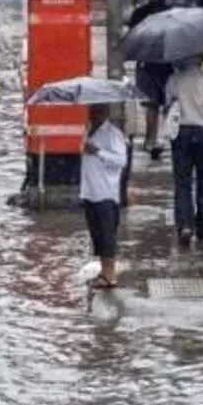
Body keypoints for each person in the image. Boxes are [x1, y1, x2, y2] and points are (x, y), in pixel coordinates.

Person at [164, 55, 203, 246]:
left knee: (182, 181)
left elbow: (167, 108)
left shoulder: (174, 80)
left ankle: (185, 225)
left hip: (181, 133)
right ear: (202, 59)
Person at [79, 105, 126, 289]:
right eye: (92, 111)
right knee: (97, 236)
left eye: (97, 111)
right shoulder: (89, 130)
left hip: (105, 193)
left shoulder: (113, 133)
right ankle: (104, 273)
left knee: (107, 236)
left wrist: (97, 151)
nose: (93, 114)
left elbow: (121, 160)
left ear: (105, 112)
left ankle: (110, 276)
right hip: (91, 192)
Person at [128, 0, 172, 160]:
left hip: (146, 64)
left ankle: (150, 140)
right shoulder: (170, 14)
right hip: (167, 64)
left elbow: (132, 37)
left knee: (151, 106)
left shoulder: (140, 13)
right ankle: (164, 137)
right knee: (167, 104)